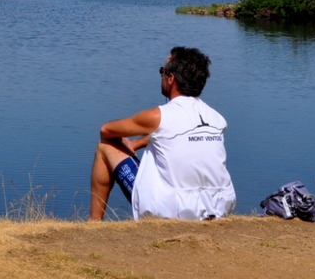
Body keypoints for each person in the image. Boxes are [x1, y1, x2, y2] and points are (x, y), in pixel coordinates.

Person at [88, 46, 235, 222]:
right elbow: (181, 134)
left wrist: (128, 141)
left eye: (162, 71)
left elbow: (107, 130)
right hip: (218, 208)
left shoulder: (157, 116)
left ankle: (93, 223)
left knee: (106, 144)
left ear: (171, 78)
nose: (161, 76)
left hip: (172, 211)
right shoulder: (216, 118)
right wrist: (136, 144)